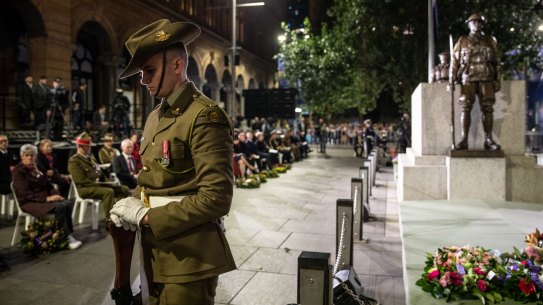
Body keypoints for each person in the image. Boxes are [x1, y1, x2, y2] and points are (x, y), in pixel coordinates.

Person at [109, 19, 236, 305]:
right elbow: (152, 179)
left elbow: (216, 198)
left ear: (177, 65)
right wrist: (129, 204)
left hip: (190, 259)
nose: (143, 79)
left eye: (150, 70)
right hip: (154, 251)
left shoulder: (204, 116)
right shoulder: (156, 116)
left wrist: (147, 216)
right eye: (142, 72)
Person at [12, 144, 82, 250]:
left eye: (32, 155)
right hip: (28, 201)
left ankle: (67, 233)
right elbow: (25, 193)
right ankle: (66, 237)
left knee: (67, 203)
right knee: (59, 207)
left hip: (40, 198)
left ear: (35, 156)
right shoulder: (18, 171)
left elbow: (48, 185)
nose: (30, 158)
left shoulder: (35, 168)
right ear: (22, 156)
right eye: (27, 155)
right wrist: (46, 199)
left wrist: (56, 194)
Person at [450, 13, 501, 151]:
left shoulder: (490, 40)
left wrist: (497, 79)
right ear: (469, 24)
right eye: (474, 22)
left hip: (486, 76)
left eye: (479, 22)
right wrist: (452, 79)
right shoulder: (462, 41)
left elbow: (497, 62)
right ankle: (464, 139)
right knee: (465, 107)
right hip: (468, 77)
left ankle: (488, 139)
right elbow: (454, 62)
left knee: (488, 108)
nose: (477, 24)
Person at [67, 132, 129, 220]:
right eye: (87, 146)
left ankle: (124, 215)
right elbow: (80, 180)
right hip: (85, 188)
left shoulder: (91, 158)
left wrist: (107, 181)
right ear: (80, 146)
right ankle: (110, 221)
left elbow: (100, 172)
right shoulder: (74, 161)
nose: (89, 148)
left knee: (124, 189)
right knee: (109, 192)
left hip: (98, 185)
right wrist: (99, 183)